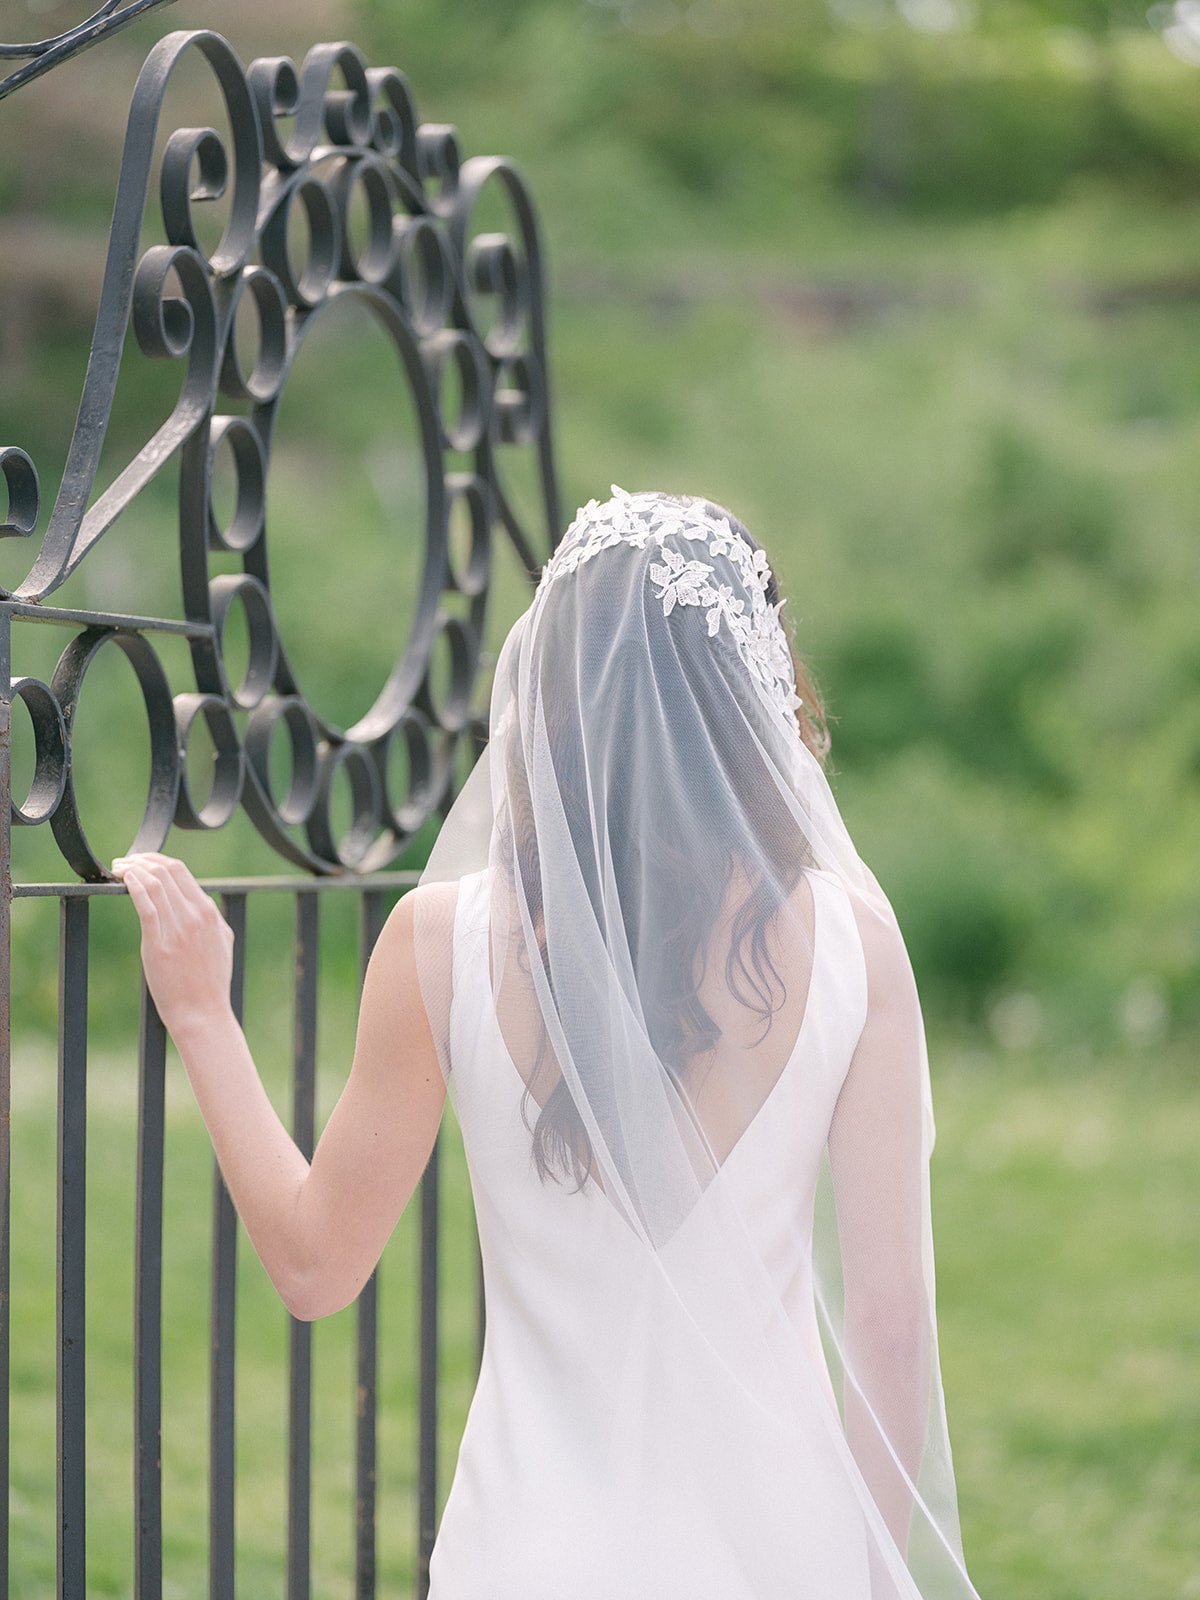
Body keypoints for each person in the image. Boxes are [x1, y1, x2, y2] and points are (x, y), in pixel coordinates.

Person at [113, 485, 985, 1598]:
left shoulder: (441, 942)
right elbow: (892, 1330)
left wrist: (200, 1014)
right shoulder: (859, 947)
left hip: (528, 1554)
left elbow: (313, 1264)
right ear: (756, 690)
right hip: (785, 1549)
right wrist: (863, 1569)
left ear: (548, 686)